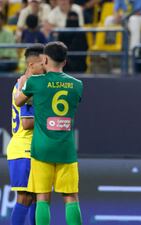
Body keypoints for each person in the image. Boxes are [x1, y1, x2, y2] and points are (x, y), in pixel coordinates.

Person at [14, 41, 83, 225]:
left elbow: (19, 102)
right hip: (66, 149)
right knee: (71, 197)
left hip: (41, 148)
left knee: (43, 197)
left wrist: (22, 86)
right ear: (65, 61)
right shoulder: (77, 85)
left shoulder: (35, 82)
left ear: (44, 59)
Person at [7, 44, 45, 225]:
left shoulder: (27, 83)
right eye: (42, 63)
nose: (45, 66)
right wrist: (49, 115)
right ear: (31, 65)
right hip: (24, 149)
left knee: (37, 199)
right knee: (25, 198)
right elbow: (27, 123)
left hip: (32, 149)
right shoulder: (27, 85)